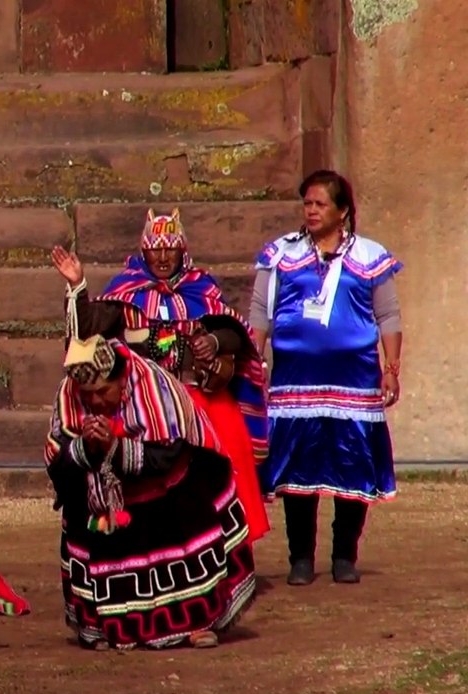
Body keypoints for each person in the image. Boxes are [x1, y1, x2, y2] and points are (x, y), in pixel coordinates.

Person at [49, 208, 270, 544]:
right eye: (155, 248)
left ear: (182, 249)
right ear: (143, 250)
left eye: (170, 248)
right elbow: (85, 335)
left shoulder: (202, 287)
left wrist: (212, 340)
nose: (163, 256)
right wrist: (77, 285)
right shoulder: (125, 292)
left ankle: (227, 548)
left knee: (220, 473)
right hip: (147, 405)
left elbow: (233, 332)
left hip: (201, 400)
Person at [44, 331, 256, 651]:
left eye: (103, 392)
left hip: (167, 488)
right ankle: (101, 626)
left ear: (122, 379)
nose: (96, 402)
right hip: (105, 500)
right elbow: (58, 465)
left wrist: (114, 448)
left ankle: (196, 622)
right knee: (78, 509)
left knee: (187, 517)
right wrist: (85, 449)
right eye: (88, 396)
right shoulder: (69, 397)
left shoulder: (154, 386)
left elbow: (168, 455)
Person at [249, 169, 403, 586]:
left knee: (352, 464)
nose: (311, 210)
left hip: (354, 381)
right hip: (295, 381)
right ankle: (300, 557)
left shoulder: (369, 257)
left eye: (320, 204)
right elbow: (260, 311)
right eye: (307, 203)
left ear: (343, 211)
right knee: (298, 465)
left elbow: (388, 314)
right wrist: (253, 357)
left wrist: (391, 368)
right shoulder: (280, 254)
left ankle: (344, 556)